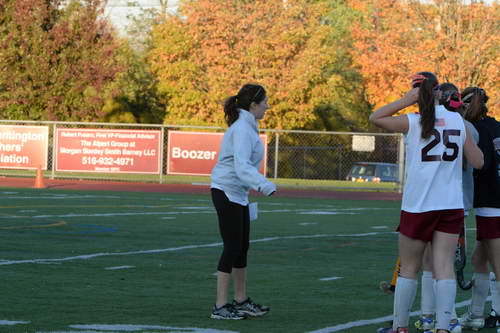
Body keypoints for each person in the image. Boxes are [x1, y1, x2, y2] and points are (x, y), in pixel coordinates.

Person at [371, 72, 484, 333]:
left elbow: (375, 117)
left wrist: (405, 100)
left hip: (419, 205)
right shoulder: (457, 120)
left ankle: (400, 327)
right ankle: (444, 327)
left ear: (417, 93)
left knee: (409, 268)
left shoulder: (412, 121)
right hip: (450, 204)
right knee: (444, 267)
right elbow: (478, 161)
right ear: (436, 92)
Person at [210, 83, 276, 320]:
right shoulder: (242, 129)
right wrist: (264, 184)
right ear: (253, 104)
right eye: (264, 102)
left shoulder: (248, 127)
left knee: (242, 248)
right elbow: (241, 166)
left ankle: (240, 300)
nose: (267, 106)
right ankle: (220, 306)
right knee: (232, 247)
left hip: (238, 194)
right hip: (226, 191)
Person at [458, 87, 500, 332]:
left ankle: (496, 313)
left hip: (490, 201)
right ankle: (475, 314)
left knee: (496, 262)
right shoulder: (496, 125)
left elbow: (479, 166)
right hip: (492, 200)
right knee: (479, 260)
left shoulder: (473, 129)